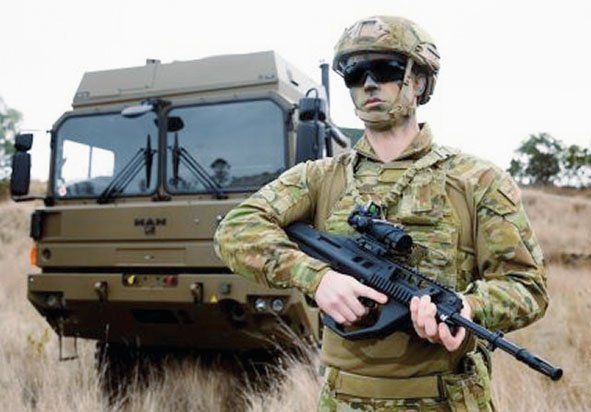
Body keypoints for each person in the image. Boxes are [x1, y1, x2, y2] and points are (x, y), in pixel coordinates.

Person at [214, 15, 548, 411]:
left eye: (386, 70)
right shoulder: (319, 178)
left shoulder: (477, 180)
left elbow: (528, 286)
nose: (369, 83)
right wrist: (316, 278)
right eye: (356, 74)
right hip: (343, 400)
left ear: (419, 80)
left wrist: (469, 306)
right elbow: (234, 230)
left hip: (446, 399)